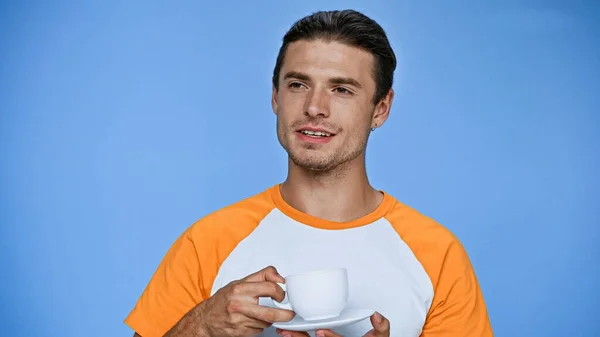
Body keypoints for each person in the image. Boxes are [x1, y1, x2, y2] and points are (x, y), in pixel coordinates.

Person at [124, 9, 493, 337]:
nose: (315, 107)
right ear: (275, 97)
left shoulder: (437, 255)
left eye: (342, 89)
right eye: (298, 84)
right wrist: (201, 326)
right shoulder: (207, 244)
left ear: (380, 109)